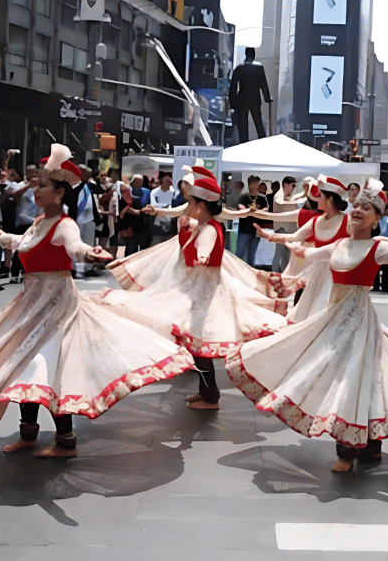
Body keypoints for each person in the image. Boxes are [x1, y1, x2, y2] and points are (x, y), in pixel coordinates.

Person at [0, 144, 195, 458]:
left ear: (57, 193)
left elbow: (75, 247)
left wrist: (89, 254)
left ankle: (66, 440)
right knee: (24, 366)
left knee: (48, 368)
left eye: (42, 185)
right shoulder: (39, 223)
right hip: (31, 306)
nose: (35, 189)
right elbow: (27, 243)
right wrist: (4, 239)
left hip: (56, 309)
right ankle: (29, 435)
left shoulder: (63, 224)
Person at [226, 178, 388, 472]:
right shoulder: (339, 244)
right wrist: (277, 245)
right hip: (332, 318)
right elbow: (308, 254)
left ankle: (348, 449)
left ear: (377, 217)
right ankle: (371, 443)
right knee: (339, 374)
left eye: (366, 208)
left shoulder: (378, 248)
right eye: (356, 206)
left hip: (359, 321)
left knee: (354, 379)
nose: (358, 211)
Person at [97, 171, 288, 410]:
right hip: (198, 291)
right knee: (198, 346)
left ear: (201, 205)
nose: (187, 206)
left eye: (191, 202)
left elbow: (205, 247)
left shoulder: (209, 228)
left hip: (204, 295)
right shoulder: (204, 224)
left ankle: (211, 395)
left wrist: (202, 255)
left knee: (200, 345)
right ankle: (207, 392)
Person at [258, 176, 349, 323]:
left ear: (331, 199)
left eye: (320, 195)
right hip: (317, 274)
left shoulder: (348, 221)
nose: (316, 198)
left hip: (339, 277)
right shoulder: (316, 221)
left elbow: (366, 242)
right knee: (310, 314)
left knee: (326, 313)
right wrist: (268, 236)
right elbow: (293, 237)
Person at [228, 47, 271, 143]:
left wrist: (232, 103)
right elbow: (263, 84)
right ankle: (262, 142)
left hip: (242, 100)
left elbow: (233, 87)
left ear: (246, 54)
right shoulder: (259, 68)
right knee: (258, 123)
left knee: (243, 125)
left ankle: (243, 144)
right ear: (254, 55)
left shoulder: (239, 69)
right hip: (255, 100)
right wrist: (267, 98)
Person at [234, 175, 261, 265]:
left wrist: (252, 211)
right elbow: (240, 207)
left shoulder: (262, 197)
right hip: (244, 230)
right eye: (252, 183)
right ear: (249, 184)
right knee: (239, 254)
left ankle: (250, 277)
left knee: (252, 256)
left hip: (257, 231)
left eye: (256, 183)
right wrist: (250, 211)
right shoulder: (243, 196)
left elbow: (266, 210)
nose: (254, 186)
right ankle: (235, 273)